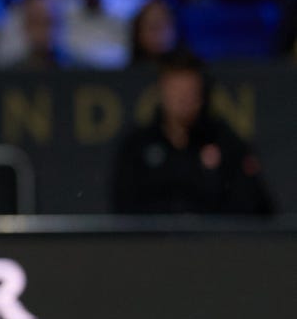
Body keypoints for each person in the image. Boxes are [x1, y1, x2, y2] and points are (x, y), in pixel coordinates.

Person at [110, 49, 274, 215]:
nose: (183, 99)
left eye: (189, 91)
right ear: (162, 91)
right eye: (176, 90)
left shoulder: (225, 142)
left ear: (200, 94)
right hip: (153, 240)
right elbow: (124, 210)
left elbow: (254, 206)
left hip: (214, 239)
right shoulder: (137, 145)